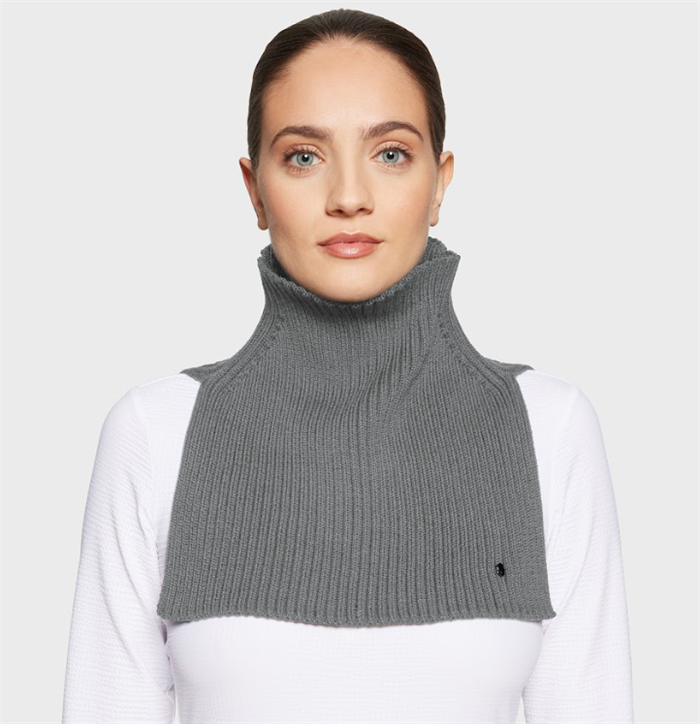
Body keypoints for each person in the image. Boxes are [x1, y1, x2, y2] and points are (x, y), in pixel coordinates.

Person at [62, 8, 634, 723]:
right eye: (305, 156)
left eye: (390, 153)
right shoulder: (156, 433)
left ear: (439, 183)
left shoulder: (547, 427)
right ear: (254, 189)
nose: (349, 197)